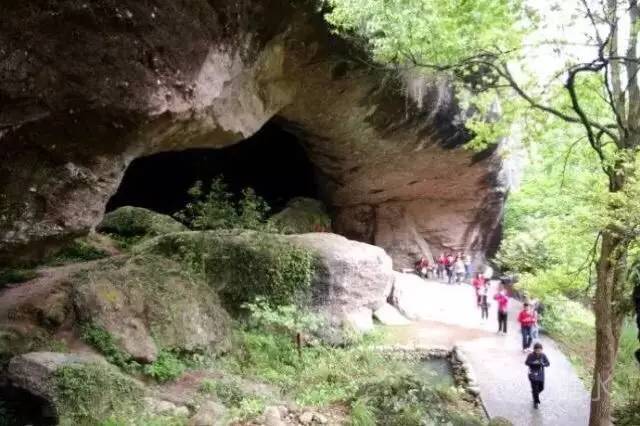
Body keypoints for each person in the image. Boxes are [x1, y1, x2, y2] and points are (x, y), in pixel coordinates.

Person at [525, 342, 550, 409]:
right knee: (535, 388)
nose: (538, 352)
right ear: (534, 350)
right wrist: (533, 363)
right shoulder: (531, 355)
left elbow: (548, 363)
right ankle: (536, 402)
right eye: (537, 350)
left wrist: (543, 364)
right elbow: (526, 363)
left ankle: (535, 393)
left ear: (542, 350)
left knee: (541, 388)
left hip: (540, 373)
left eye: (540, 350)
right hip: (532, 373)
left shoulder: (543, 355)